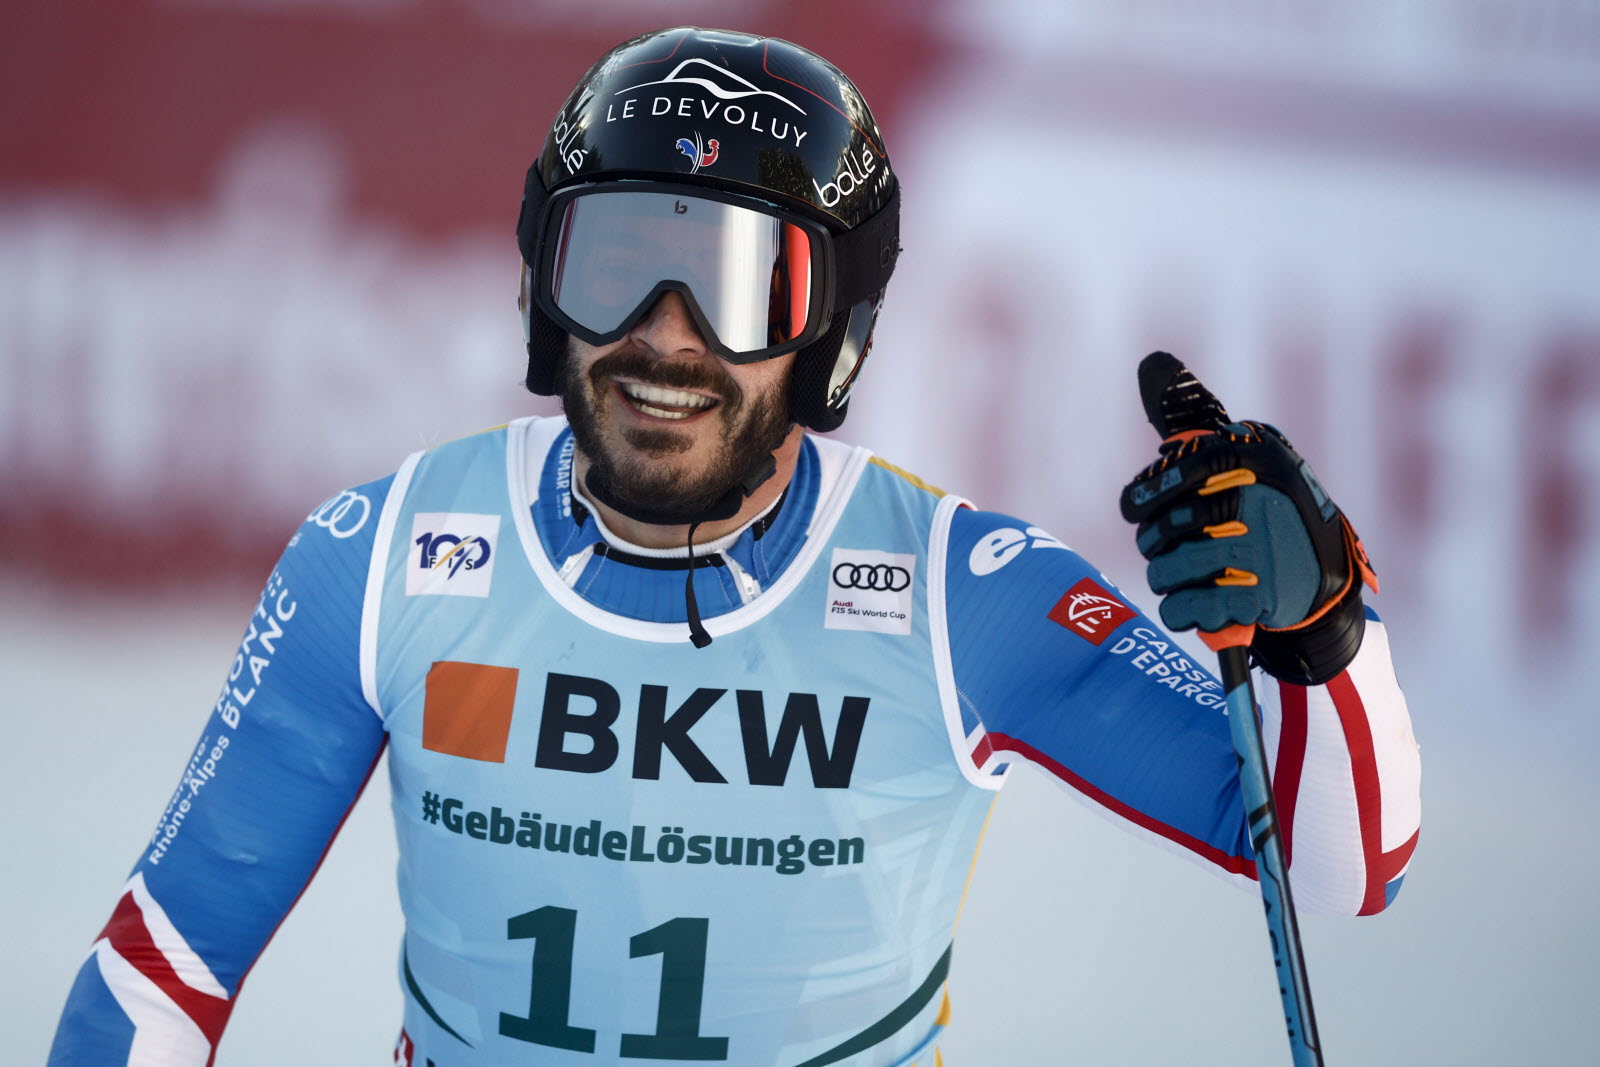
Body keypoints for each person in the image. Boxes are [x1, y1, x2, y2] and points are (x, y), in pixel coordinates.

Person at [49, 26, 1421, 1067]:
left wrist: (1322, 633)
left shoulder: (959, 599)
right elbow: (160, 970)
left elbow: (1348, 866)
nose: (666, 332)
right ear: (544, 294)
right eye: (617, 262)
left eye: (741, 284)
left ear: (836, 337)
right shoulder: (387, 554)